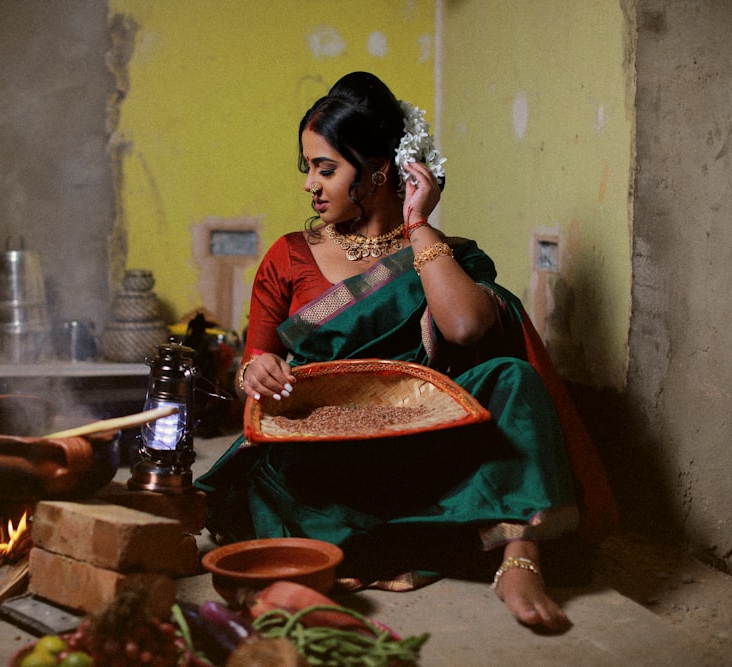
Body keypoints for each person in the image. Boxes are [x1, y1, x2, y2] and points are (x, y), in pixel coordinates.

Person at [195, 72, 617, 634]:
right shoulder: (290, 256)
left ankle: (520, 558)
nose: (310, 186)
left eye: (327, 169)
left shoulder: (444, 252)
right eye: (308, 169)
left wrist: (418, 226)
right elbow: (256, 358)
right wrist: (259, 370)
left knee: (513, 378)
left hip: (425, 446)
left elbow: (466, 329)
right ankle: (424, 536)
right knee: (266, 483)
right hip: (327, 454)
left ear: (379, 172)